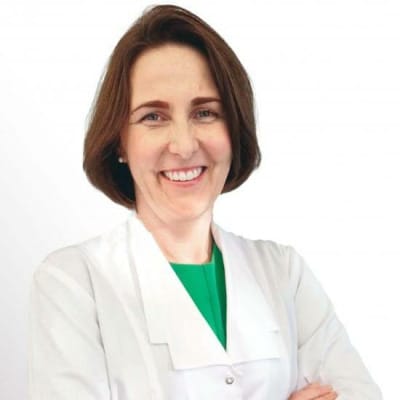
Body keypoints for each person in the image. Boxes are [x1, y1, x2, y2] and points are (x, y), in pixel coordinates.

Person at [28, 5, 382, 400]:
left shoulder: (284, 273)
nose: (184, 145)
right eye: (153, 117)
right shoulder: (75, 283)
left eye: (205, 112)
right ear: (120, 143)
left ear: (234, 128)